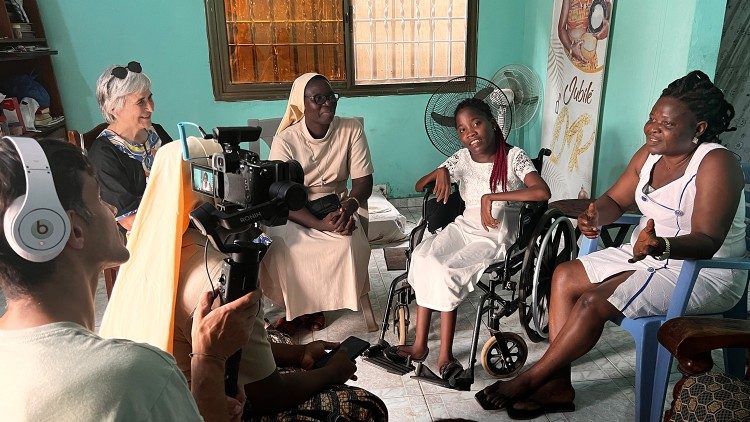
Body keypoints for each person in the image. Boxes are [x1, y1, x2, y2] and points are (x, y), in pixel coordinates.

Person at [477, 70, 745, 419]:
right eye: (652, 119)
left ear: (698, 129)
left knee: (592, 302)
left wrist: (660, 245)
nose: (652, 129)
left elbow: (708, 241)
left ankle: (532, 378)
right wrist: (594, 215)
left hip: (704, 272)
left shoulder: (716, 163)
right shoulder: (649, 156)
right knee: (563, 275)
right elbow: (614, 202)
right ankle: (558, 385)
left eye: (665, 124)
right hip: (647, 255)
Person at [99, 138, 387, 421]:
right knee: (364, 406)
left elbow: (223, 344)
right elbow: (268, 394)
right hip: (200, 407)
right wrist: (329, 372)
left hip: (153, 400)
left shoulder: (144, 248)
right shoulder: (214, 277)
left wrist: (298, 355)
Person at [0, 138, 259, 421]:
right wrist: (209, 363)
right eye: (98, 197)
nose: (111, 209)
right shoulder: (135, 374)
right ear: (68, 230)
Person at [384, 98, 551, 378]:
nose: (470, 133)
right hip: (464, 226)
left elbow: (541, 192)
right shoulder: (461, 158)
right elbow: (418, 185)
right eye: (462, 130)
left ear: (492, 123)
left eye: (476, 123)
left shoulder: (514, 158)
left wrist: (493, 197)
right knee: (424, 257)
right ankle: (420, 346)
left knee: (446, 269)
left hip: (496, 231)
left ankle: (445, 356)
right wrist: (441, 171)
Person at [259, 73, 374, 334]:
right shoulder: (285, 140)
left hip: (338, 203)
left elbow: (364, 182)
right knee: (287, 246)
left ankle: (318, 305)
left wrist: (349, 208)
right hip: (294, 209)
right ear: (302, 104)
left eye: (331, 97)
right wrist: (319, 224)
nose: (328, 103)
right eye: (318, 98)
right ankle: (300, 309)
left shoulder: (351, 129)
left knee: (345, 242)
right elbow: (279, 195)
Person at [88, 61, 172, 232]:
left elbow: (182, 173)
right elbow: (130, 221)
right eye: (141, 102)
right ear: (114, 108)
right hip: (138, 241)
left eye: (150, 97)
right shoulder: (103, 155)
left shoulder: (157, 133)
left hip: (172, 226)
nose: (151, 107)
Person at [558, 0, 611, 71]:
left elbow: (608, 7)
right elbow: (561, 29)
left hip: (590, 61)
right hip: (570, 59)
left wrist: (608, 23)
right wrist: (570, 48)